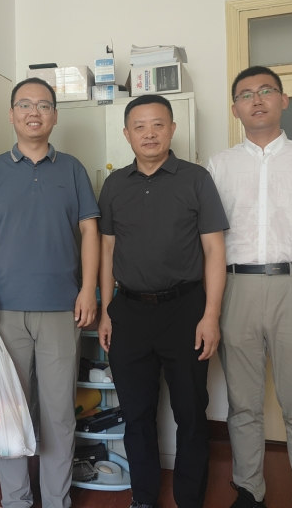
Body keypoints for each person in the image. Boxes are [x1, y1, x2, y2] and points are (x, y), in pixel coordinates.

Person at [207, 66, 292, 508]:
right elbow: (209, 242)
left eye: (266, 91)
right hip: (236, 289)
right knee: (243, 404)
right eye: (246, 94)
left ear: (283, 100)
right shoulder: (218, 165)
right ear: (235, 109)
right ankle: (249, 491)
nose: (257, 99)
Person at [0, 77, 100, 508]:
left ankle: (56, 500)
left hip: (62, 308)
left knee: (59, 414)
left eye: (43, 105)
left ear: (55, 116)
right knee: (9, 410)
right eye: (24, 104)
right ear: (11, 114)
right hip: (4, 310)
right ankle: (16, 501)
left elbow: (90, 231)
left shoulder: (73, 169)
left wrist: (88, 289)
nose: (34, 112)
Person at [98, 94, 229, 508]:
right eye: (139, 126)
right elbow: (106, 250)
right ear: (126, 134)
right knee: (136, 413)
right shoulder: (114, 184)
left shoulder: (196, 179)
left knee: (190, 412)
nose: (149, 133)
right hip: (129, 312)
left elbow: (215, 250)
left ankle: (189, 499)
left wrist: (211, 315)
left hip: (186, 310)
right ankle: (144, 497)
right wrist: (106, 311)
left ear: (172, 129)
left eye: (158, 124)